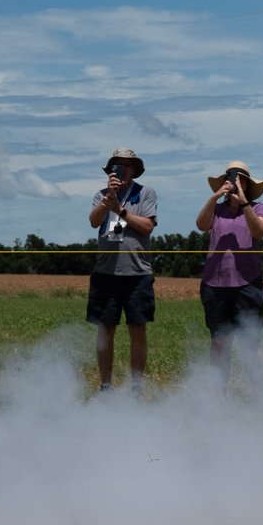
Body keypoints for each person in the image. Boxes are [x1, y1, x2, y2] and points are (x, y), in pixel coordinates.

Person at [86, 148, 157, 394]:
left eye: (128, 165)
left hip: (137, 273)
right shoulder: (102, 195)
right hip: (105, 274)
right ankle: (106, 386)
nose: (123, 169)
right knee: (105, 331)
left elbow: (147, 226)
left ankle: (136, 386)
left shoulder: (145, 193)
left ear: (135, 169)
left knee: (137, 329)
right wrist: (109, 201)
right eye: (118, 164)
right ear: (111, 169)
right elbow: (94, 221)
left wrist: (121, 210)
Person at [196, 160, 263, 392]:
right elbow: (200, 224)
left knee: (251, 342)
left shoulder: (258, 208)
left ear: (247, 184)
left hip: (248, 284)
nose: (235, 183)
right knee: (219, 341)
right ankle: (218, 396)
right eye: (231, 178)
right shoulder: (217, 209)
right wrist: (215, 197)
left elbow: (259, 230)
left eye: (240, 179)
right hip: (214, 285)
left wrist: (244, 203)